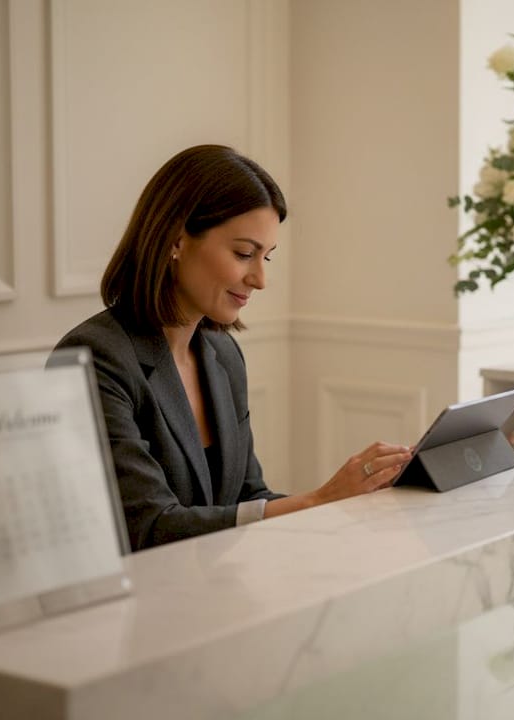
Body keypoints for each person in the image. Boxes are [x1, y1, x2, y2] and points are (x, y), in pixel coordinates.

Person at [55, 144, 412, 551]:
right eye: (244, 254)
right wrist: (318, 501)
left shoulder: (222, 356)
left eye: (267, 258)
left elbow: (248, 500)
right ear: (176, 240)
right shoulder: (94, 358)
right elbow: (149, 527)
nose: (259, 279)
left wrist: (351, 499)